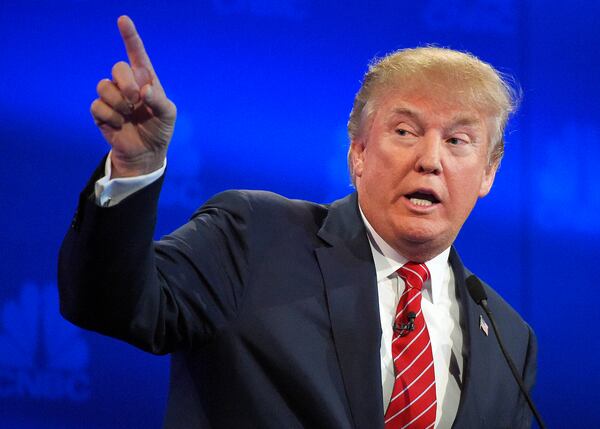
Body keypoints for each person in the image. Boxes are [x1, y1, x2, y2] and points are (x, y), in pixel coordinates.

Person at [58, 15, 537, 429]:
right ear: (359, 153)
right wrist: (134, 172)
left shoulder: (510, 342)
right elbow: (109, 303)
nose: (430, 158)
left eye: (458, 141)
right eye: (405, 131)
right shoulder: (252, 237)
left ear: (488, 172)